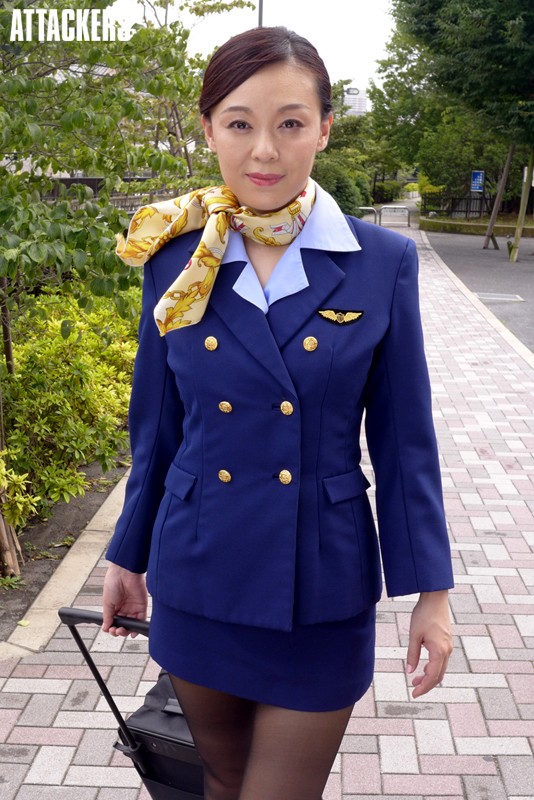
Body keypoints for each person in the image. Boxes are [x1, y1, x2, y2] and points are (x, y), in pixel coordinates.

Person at [102, 26, 454, 800]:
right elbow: (157, 428)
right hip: (198, 572)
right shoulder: (176, 258)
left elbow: (404, 442)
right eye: (240, 123)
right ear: (209, 130)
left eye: (290, 123)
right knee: (220, 780)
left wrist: (431, 594)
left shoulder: (380, 262)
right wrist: (127, 556)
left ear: (324, 128)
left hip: (319, 586)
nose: (264, 150)